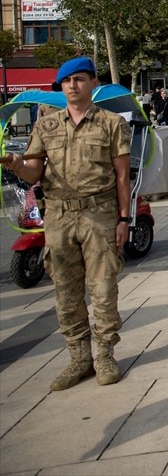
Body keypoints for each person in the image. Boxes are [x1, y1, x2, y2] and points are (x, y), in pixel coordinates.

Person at [0, 57, 132, 389]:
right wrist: (17, 165)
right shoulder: (46, 126)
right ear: (61, 86)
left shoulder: (112, 123)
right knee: (66, 292)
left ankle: (103, 355)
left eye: (79, 79)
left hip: (99, 214)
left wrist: (123, 219)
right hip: (58, 217)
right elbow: (34, 173)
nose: (73, 85)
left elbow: (121, 177)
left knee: (103, 290)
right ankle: (78, 359)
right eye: (67, 81)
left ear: (92, 83)